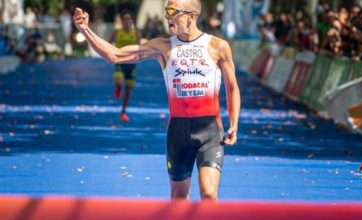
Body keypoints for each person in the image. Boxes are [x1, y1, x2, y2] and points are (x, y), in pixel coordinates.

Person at [73, 0, 241, 200]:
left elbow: (232, 88)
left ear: (192, 15)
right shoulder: (163, 47)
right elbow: (115, 55)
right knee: (179, 197)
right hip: (178, 131)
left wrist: (234, 123)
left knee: (209, 194)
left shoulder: (218, 46)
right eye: (166, 11)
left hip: (210, 130)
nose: (167, 16)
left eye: (172, 11)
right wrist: (85, 30)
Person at [109, 10, 140, 122]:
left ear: (131, 20)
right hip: (119, 61)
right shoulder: (117, 32)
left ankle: (123, 111)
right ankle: (117, 87)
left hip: (131, 64)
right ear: (121, 21)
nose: (127, 21)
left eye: (129, 19)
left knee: (128, 89)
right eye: (124, 19)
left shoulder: (136, 33)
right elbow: (108, 44)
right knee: (118, 81)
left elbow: (139, 47)